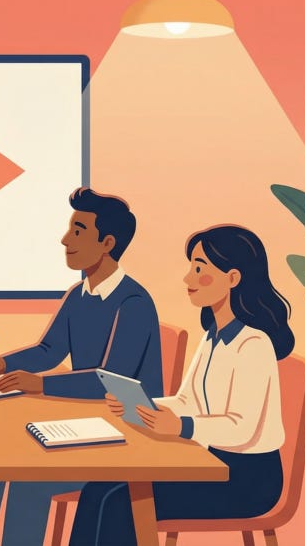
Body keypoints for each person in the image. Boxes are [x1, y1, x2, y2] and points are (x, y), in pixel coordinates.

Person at [0, 187, 163, 546]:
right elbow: (50, 350)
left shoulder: (133, 303)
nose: (65, 239)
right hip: (86, 425)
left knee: (27, 481)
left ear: (107, 243)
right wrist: (2, 363)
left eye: (78, 231)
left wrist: (41, 386)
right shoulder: (78, 293)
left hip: (125, 436)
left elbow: (110, 382)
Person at [70, 224, 292, 546]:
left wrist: (181, 427)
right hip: (210, 461)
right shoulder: (212, 337)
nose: (188, 279)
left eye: (199, 269)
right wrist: (143, 405)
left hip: (247, 480)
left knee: (123, 503)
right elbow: (187, 399)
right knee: (98, 489)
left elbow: (241, 427)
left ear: (232, 278)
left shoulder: (253, 345)